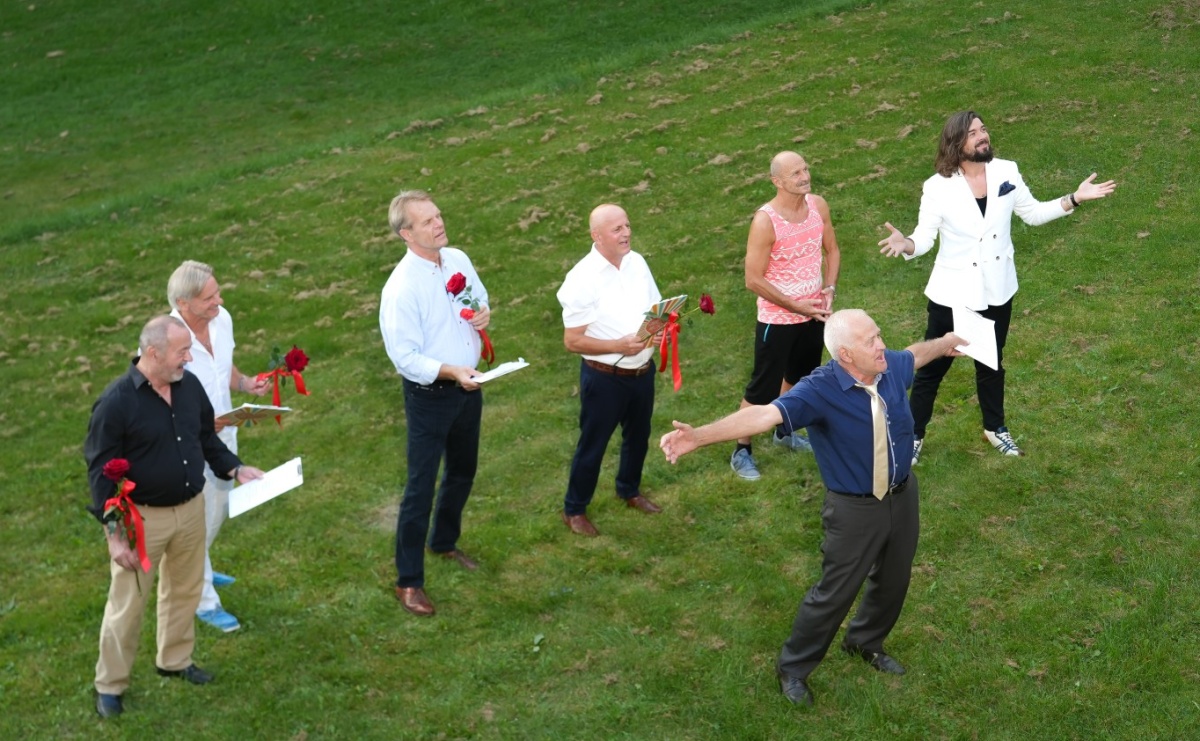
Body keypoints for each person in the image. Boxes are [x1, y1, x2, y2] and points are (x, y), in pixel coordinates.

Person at [660, 309, 962, 707]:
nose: (881, 345)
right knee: (834, 592)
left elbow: (914, 354)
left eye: (878, 334)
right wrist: (699, 436)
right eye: (870, 340)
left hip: (903, 495)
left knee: (894, 578)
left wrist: (946, 343)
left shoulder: (888, 368)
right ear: (845, 356)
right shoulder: (819, 390)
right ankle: (793, 667)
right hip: (854, 510)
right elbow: (765, 414)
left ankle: (865, 642)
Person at [879, 110, 1116, 463]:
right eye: (974, 133)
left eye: (984, 129)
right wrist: (906, 244)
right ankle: (912, 435)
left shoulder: (1006, 171)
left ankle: (995, 429)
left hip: (997, 290)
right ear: (956, 143)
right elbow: (924, 238)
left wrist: (1075, 198)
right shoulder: (937, 187)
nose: (983, 136)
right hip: (952, 295)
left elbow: (1033, 214)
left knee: (991, 364)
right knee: (932, 369)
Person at [84, 316, 264, 718]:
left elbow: (205, 439)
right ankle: (110, 684)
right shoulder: (116, 404)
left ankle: (175, 661)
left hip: (190, 510)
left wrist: (236, 468)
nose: (188, 358)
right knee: (127, 604)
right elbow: (100, 474)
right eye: (182, 352)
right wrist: (114, 536)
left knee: (183, 592)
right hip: (141, 521)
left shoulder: (189, 386)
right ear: (153, 353)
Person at [380, 190, 490, 617]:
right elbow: (404, 358)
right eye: (427, 222)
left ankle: (444, 542)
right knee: (420, 487)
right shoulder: (401, 289)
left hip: (469, 387)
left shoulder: (458, 259)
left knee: (463, 470)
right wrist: (451, 371)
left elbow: (479, 300)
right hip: (430, 397)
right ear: (406, 234)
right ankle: (408, 582)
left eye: (439, 216)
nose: (439, 224)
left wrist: (482, 315)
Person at [168, 260, 270, 633]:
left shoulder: (221, 319)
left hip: (224, 432)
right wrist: (194, 423)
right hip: (185, 445)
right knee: (194, 522)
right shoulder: (167, 339)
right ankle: (202, 599)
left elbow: (221, 366)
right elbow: (157, 396)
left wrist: (244, 385)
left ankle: (202, 564)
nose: (219, 301)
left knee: (217, 508)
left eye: (217, 293)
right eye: (209, 297)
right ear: (184, 303)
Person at [730, 150, 841, 481]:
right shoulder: (765, 221)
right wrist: (797, 306)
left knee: (799, 378)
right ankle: (741, 450)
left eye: (805, 169)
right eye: (796, 173)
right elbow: (753, 279)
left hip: (814, 314)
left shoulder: (818, 206)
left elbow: (832, 250)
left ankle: (784, 430)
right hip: (777, 320)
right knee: (761, 390)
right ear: (776, 181)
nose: (805, 176)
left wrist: (829, 290)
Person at [556, 203, 664, 537]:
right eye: (617, 229)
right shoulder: (581, 279)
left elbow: (655, 308)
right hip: (605, 378)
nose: (627, 233)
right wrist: (618, 345)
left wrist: (660, 330)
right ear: (596, 236)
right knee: (594, 443)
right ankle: (574, 509)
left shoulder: (637, 262)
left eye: (628, 225)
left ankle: (629, 490)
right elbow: (573, 341)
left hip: (641, 370)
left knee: (638, 436)